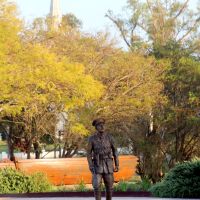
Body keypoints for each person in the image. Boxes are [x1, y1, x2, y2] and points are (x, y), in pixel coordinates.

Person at [87, 118, 119, 200]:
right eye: (99, 125)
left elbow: (115, 151)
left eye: (103, 125)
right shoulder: (92, 139)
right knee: (96, 185)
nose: (102, 126)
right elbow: (89, 153)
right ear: (96, 127)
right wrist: (90, 165)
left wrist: (117, 164)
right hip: (97, 164)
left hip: (108, 164)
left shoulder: (110, 138)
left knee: (109, 186)